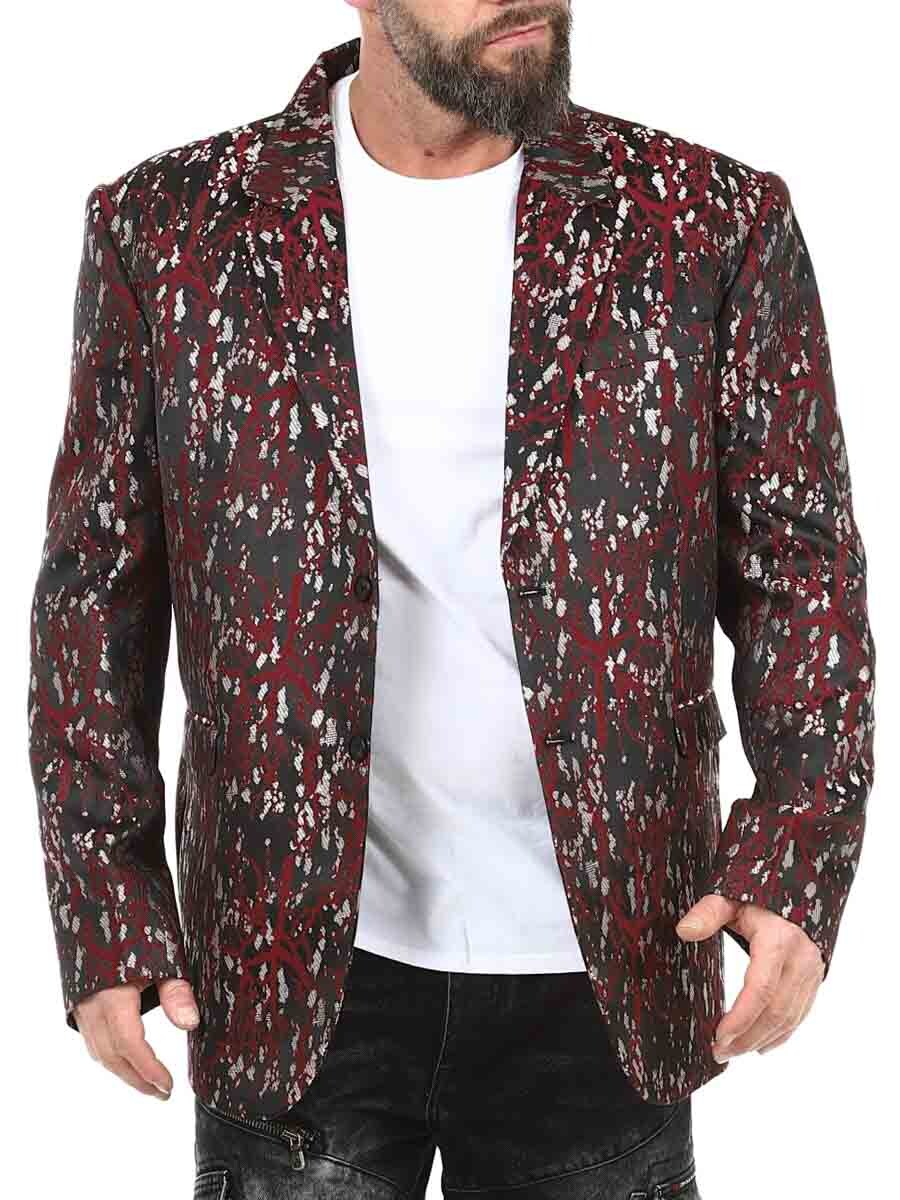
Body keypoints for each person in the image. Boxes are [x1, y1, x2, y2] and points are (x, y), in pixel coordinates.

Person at [27, 3, 876, 1197]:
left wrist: (796, 855)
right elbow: (94, 594)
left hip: (610, 959)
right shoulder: (172, 225)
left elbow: (802, 570)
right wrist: (107, 904)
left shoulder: (706, 220)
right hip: (286, 967)